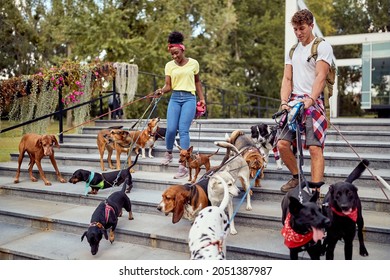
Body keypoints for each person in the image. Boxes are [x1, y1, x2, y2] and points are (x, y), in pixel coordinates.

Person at [277, 9, 334, 193]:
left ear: (311, 26)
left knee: (315, 148)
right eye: (295, 29)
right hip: (294, 101)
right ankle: (297, 177)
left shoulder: (322, 46)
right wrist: (284, 101)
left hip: (313, 101)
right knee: (282, 144)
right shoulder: (293, 50)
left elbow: (321, 76)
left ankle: (316, 192)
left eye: (301, 28)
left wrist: (310, 99)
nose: (298, 33)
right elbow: (287, 79)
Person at [154, 31, 206, 179]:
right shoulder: (169, 66)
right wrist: (161, 91)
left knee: (183, 130)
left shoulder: (194, 63)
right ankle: (169, 153)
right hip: (175, 98)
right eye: (172, 54)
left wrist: (202, 98)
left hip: (189, 98)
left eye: (176, 53)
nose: (174, 56)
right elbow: (168, 86)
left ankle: (183, 165)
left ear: (183, 49)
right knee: (170, 129)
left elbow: (197, 82)